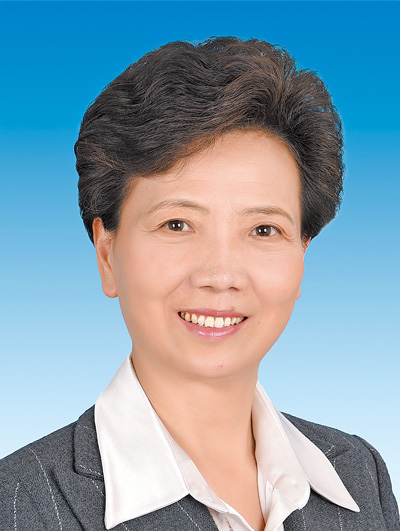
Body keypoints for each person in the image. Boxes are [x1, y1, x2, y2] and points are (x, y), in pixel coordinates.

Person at [0, 36, 398, 531]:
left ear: (302, 254)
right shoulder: (20, 503)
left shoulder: (359, 477)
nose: (221, 276)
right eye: (177, 225)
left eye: (264, 230)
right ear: (106, 254)